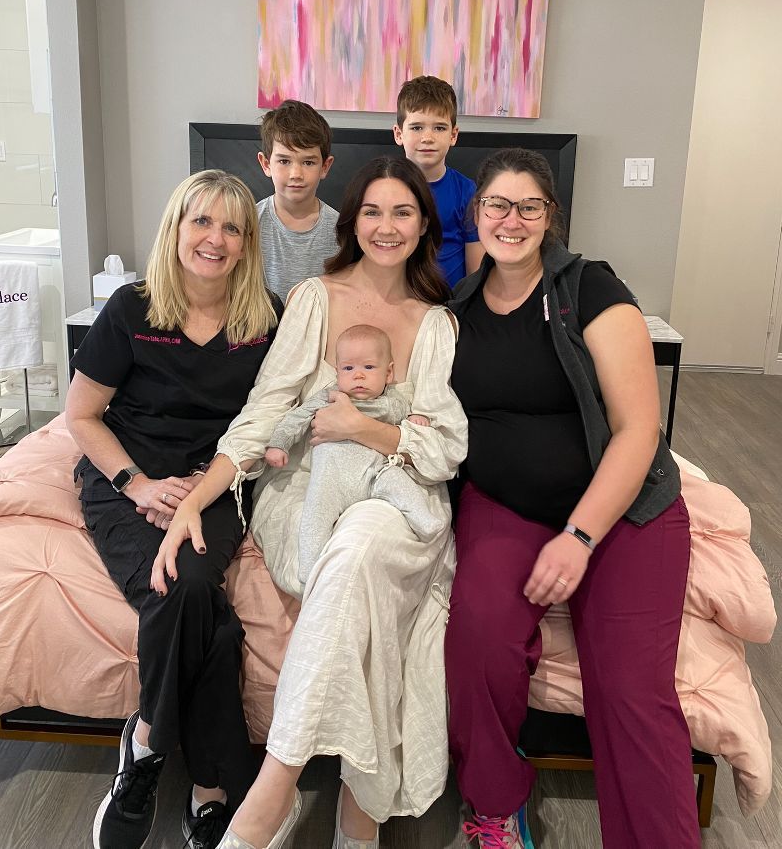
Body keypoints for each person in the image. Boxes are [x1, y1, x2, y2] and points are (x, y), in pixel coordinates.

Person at [150, 156, 468, 849]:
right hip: (308, 492)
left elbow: (444, 447)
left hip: (397, 490)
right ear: (351, 221)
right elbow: (264, 412)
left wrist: (367, 428)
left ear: (423, 227)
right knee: (350, 559)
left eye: (403, 212)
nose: (386, 227)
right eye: (373, 212)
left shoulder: (438, 324)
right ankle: (359, 813)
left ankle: (271, 796)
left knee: (362, 548)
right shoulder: (314, 299)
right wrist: (198, 496)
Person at [445, 148, 701, 849]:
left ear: (550, 217)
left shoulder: (591, 288)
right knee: (478, 641)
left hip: (620, 510)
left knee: (627, 689)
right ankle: (495, 803)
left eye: (530, 206)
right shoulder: (458, 309)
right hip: (504, 505)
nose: (512, 218)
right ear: (477, 214)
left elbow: (639, 428)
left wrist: (580, 536)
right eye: (497, 204)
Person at [65, 170, 284, 849]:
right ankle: (212, 783)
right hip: (127, 477)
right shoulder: (132, 308)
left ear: (248, 242)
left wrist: (211, 481)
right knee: (204, 616)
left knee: (184, 582)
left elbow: (271, 419)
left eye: (231, 227)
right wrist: (134, 483)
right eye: (201, 221)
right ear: (176, 227)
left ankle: (150, 737)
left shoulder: (265, 318)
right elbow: (81, 414)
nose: (214, 239)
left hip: (213, 483)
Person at [264, 322, 443, 586]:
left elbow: (406, 426)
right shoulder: (329, 396)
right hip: (330, 477)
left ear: (389, 372)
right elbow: (297, 418)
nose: (358, 376)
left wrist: (417, 418)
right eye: (348, 368)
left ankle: (427, 523)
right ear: (337, 372)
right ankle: (309, 569)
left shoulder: (393, 401)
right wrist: (278, 444)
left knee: (399, 483)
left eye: (368, 368)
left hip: (375, 472)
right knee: (314, 514)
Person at [393, 75, 483, 288]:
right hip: (395, 301)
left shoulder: (467, 191)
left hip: (449, 303)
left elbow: (476, 269)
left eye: (439, 128)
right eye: (416, 128)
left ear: (453, 135)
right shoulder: (382, 189)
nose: (428, 137)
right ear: (399, 134)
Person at [256, 98, 339, 301]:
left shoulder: (341, 231)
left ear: (325, 167)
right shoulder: (248, 223)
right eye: (284, 161)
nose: (296, 174)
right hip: (259, 330)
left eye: (308, 162)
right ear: (266, 164)